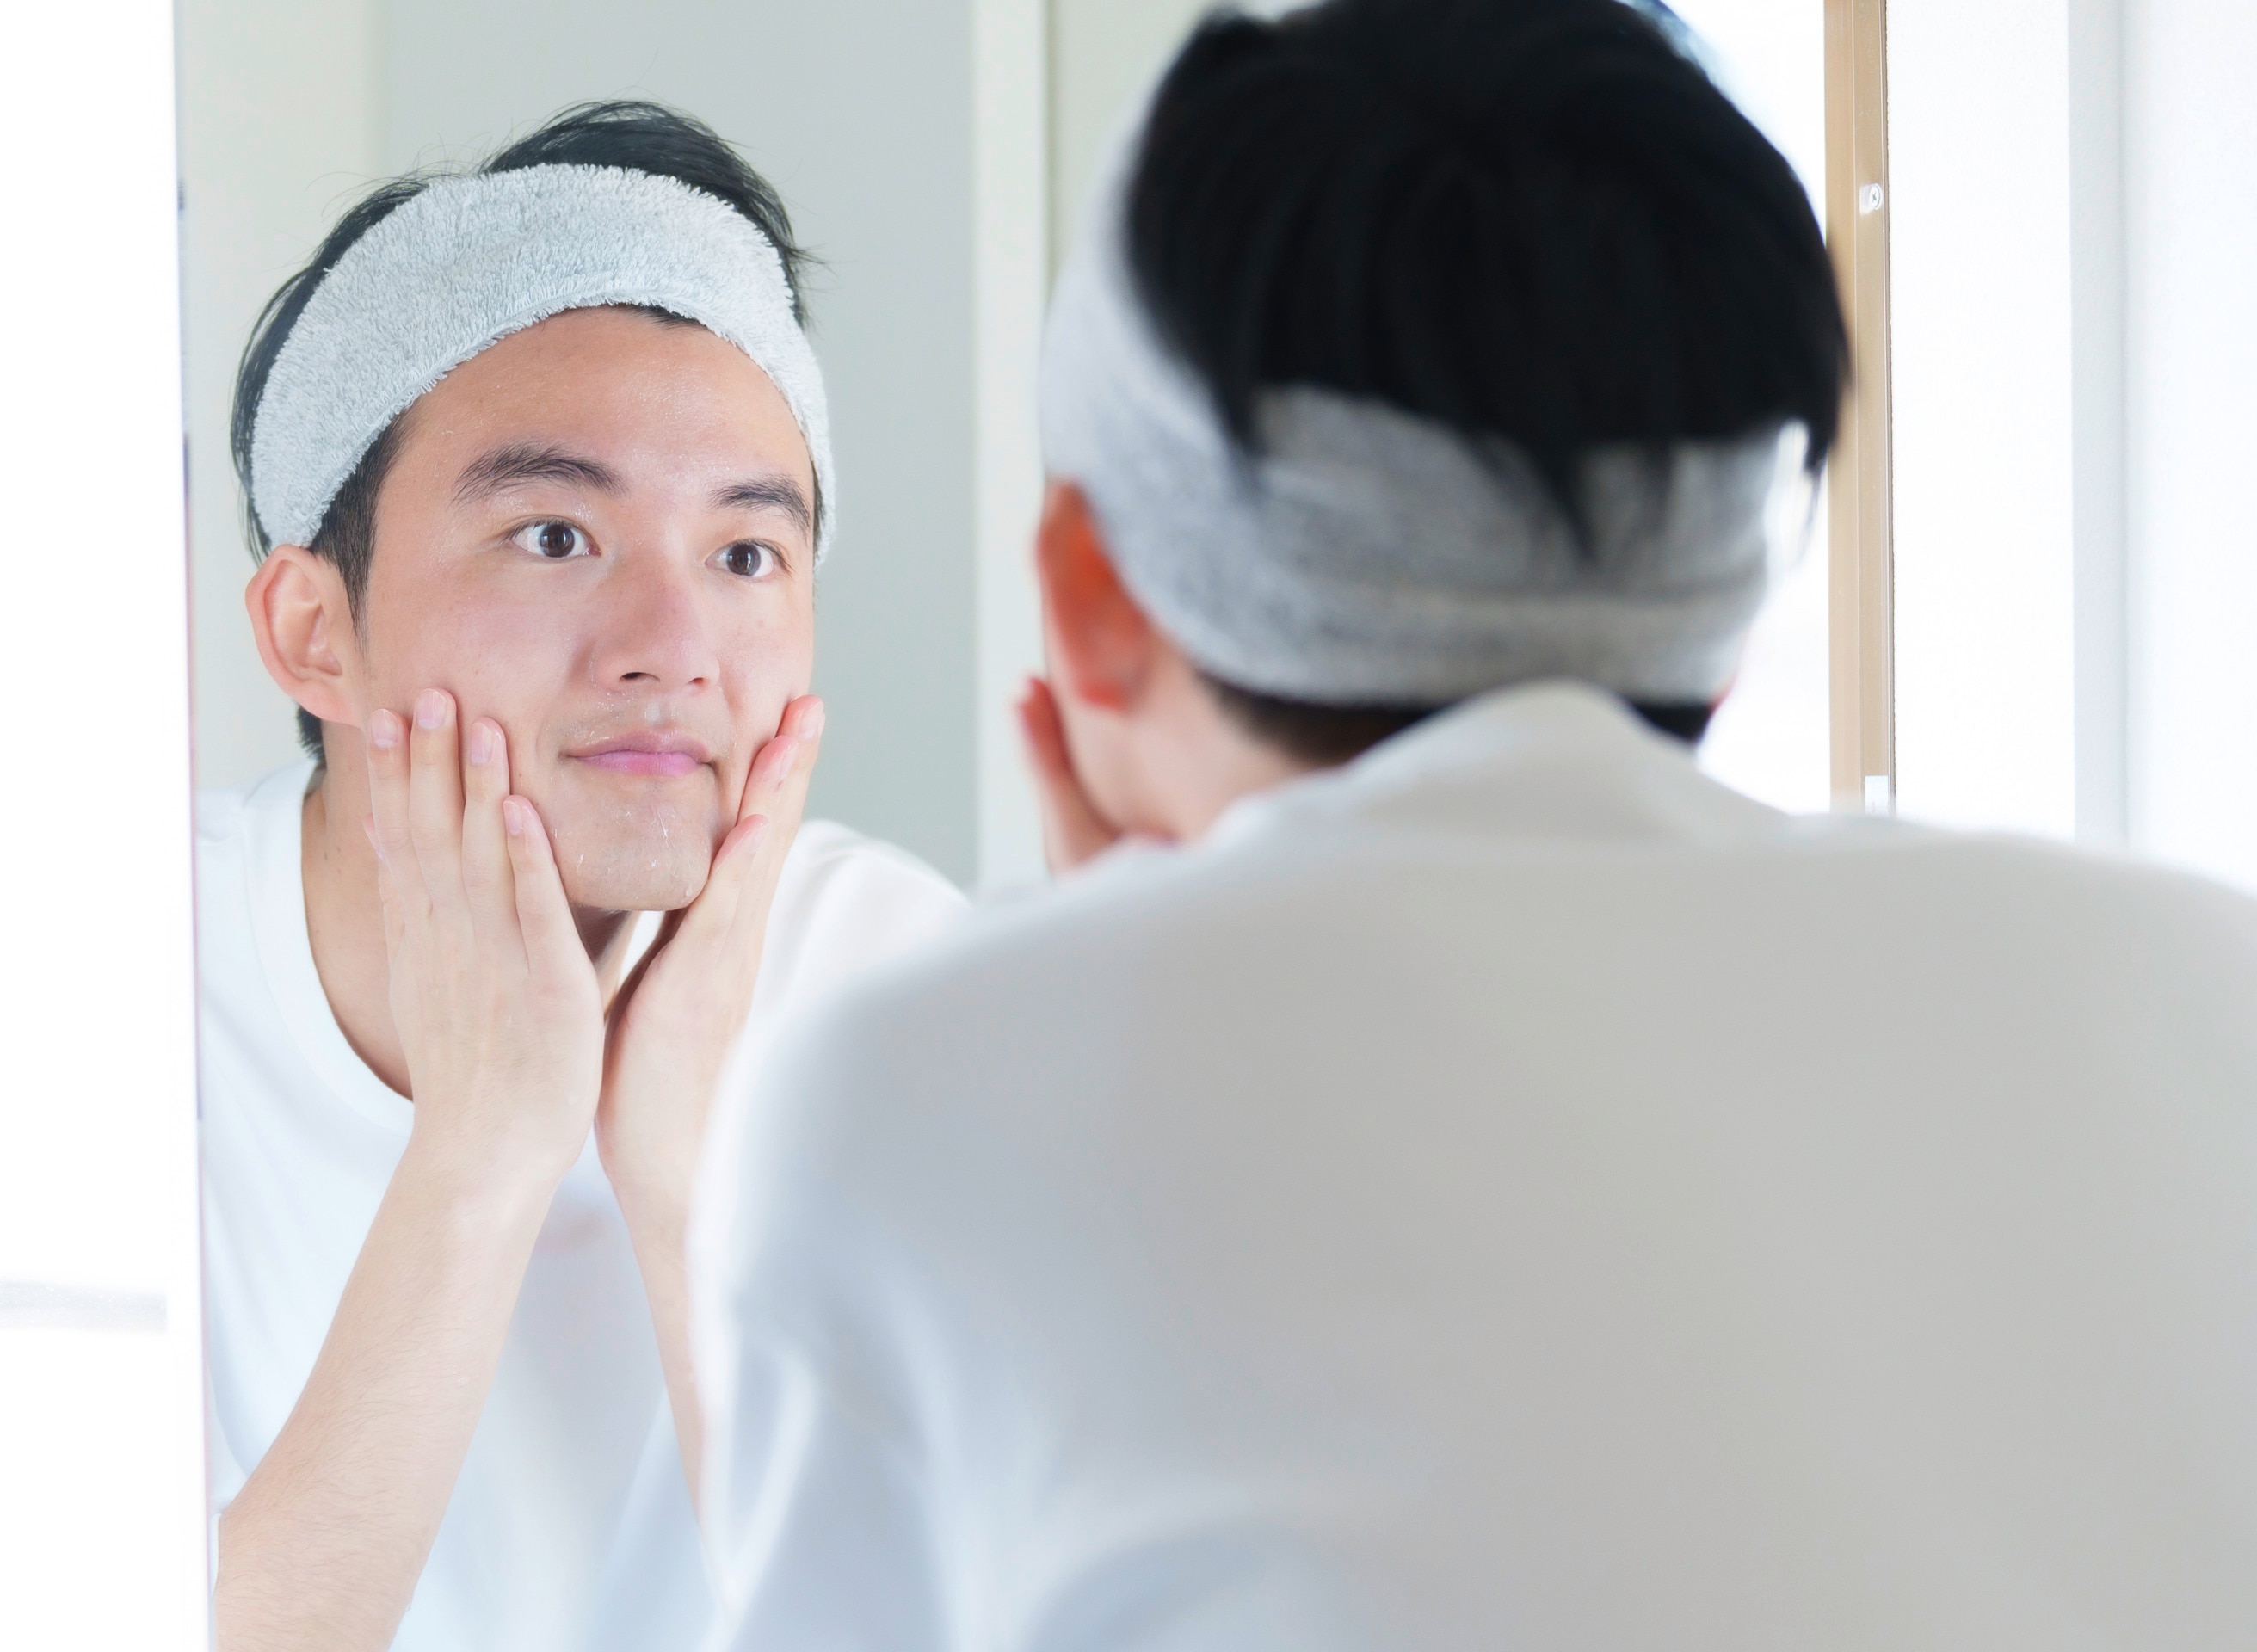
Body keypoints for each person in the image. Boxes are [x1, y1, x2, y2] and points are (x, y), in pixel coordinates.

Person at [688, 3, 2257, 1647]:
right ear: (1723, 598)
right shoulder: (2200, 985)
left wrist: (1103, 1008)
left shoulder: (929, 1099)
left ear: (1087, 594)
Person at [195, 102, 965, 1652]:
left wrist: (688, 1184)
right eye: (554, 535)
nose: (672, 650)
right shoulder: (135, 987)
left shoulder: (895, 984)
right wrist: (482, 1159)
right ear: (312, 630)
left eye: (744, 557)